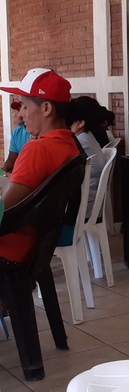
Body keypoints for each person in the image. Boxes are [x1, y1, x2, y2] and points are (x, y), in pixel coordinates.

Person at [0, 68, 80, 262]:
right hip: (41, 239)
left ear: (46, 108)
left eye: (25, 107)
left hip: (15, 245)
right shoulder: (70, 145)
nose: (21, 115)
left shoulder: (37, 150)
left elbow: (6, 210)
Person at [66, 96, 107, 219]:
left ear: (81, 123)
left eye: (70, 122)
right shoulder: (87, 137)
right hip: (90, 201)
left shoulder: (81, 142)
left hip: (85, 206)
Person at [3, 101, 30, 175]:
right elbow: (11, 160)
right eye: (18, 110)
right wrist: (4, 172)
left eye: (25, 108)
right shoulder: (16, 132)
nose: (20, 114)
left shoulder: (41, 133)